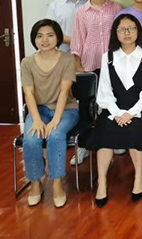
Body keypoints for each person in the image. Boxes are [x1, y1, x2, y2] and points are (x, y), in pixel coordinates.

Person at [87, 14, 142, 208]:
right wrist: (117, 113)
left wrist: (130, 113)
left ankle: (138, 176)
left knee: (135, 128)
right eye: (122, 29)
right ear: (115, 33)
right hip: (114, 109)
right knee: (105, 132)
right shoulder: (108, 57)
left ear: (138, 31)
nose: (127, 33)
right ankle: (102, 182)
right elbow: (104, 91)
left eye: (131, 28)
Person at [21, 19, 79, 208]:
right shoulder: (27, 62)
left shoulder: (67, 59)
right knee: (31, 138)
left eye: (50, 35)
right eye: (39, 36)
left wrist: (55, 120)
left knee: (55, 134)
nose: (44, 40)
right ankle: (35, 182)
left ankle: (57, 182)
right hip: (39, 110)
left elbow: (64, 91)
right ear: (34, 39)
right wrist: (37, 120)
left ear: (58, 38)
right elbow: (28, 93)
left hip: (66, 109)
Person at [70, 0, 121, 165]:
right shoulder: (81, 11)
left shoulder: (116, 8)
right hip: (89, 64)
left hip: (112, 63)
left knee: (111, 104)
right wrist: (78, 65)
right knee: (86, 106)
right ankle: (83, 145)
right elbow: (77, 39)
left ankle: (113, 142)